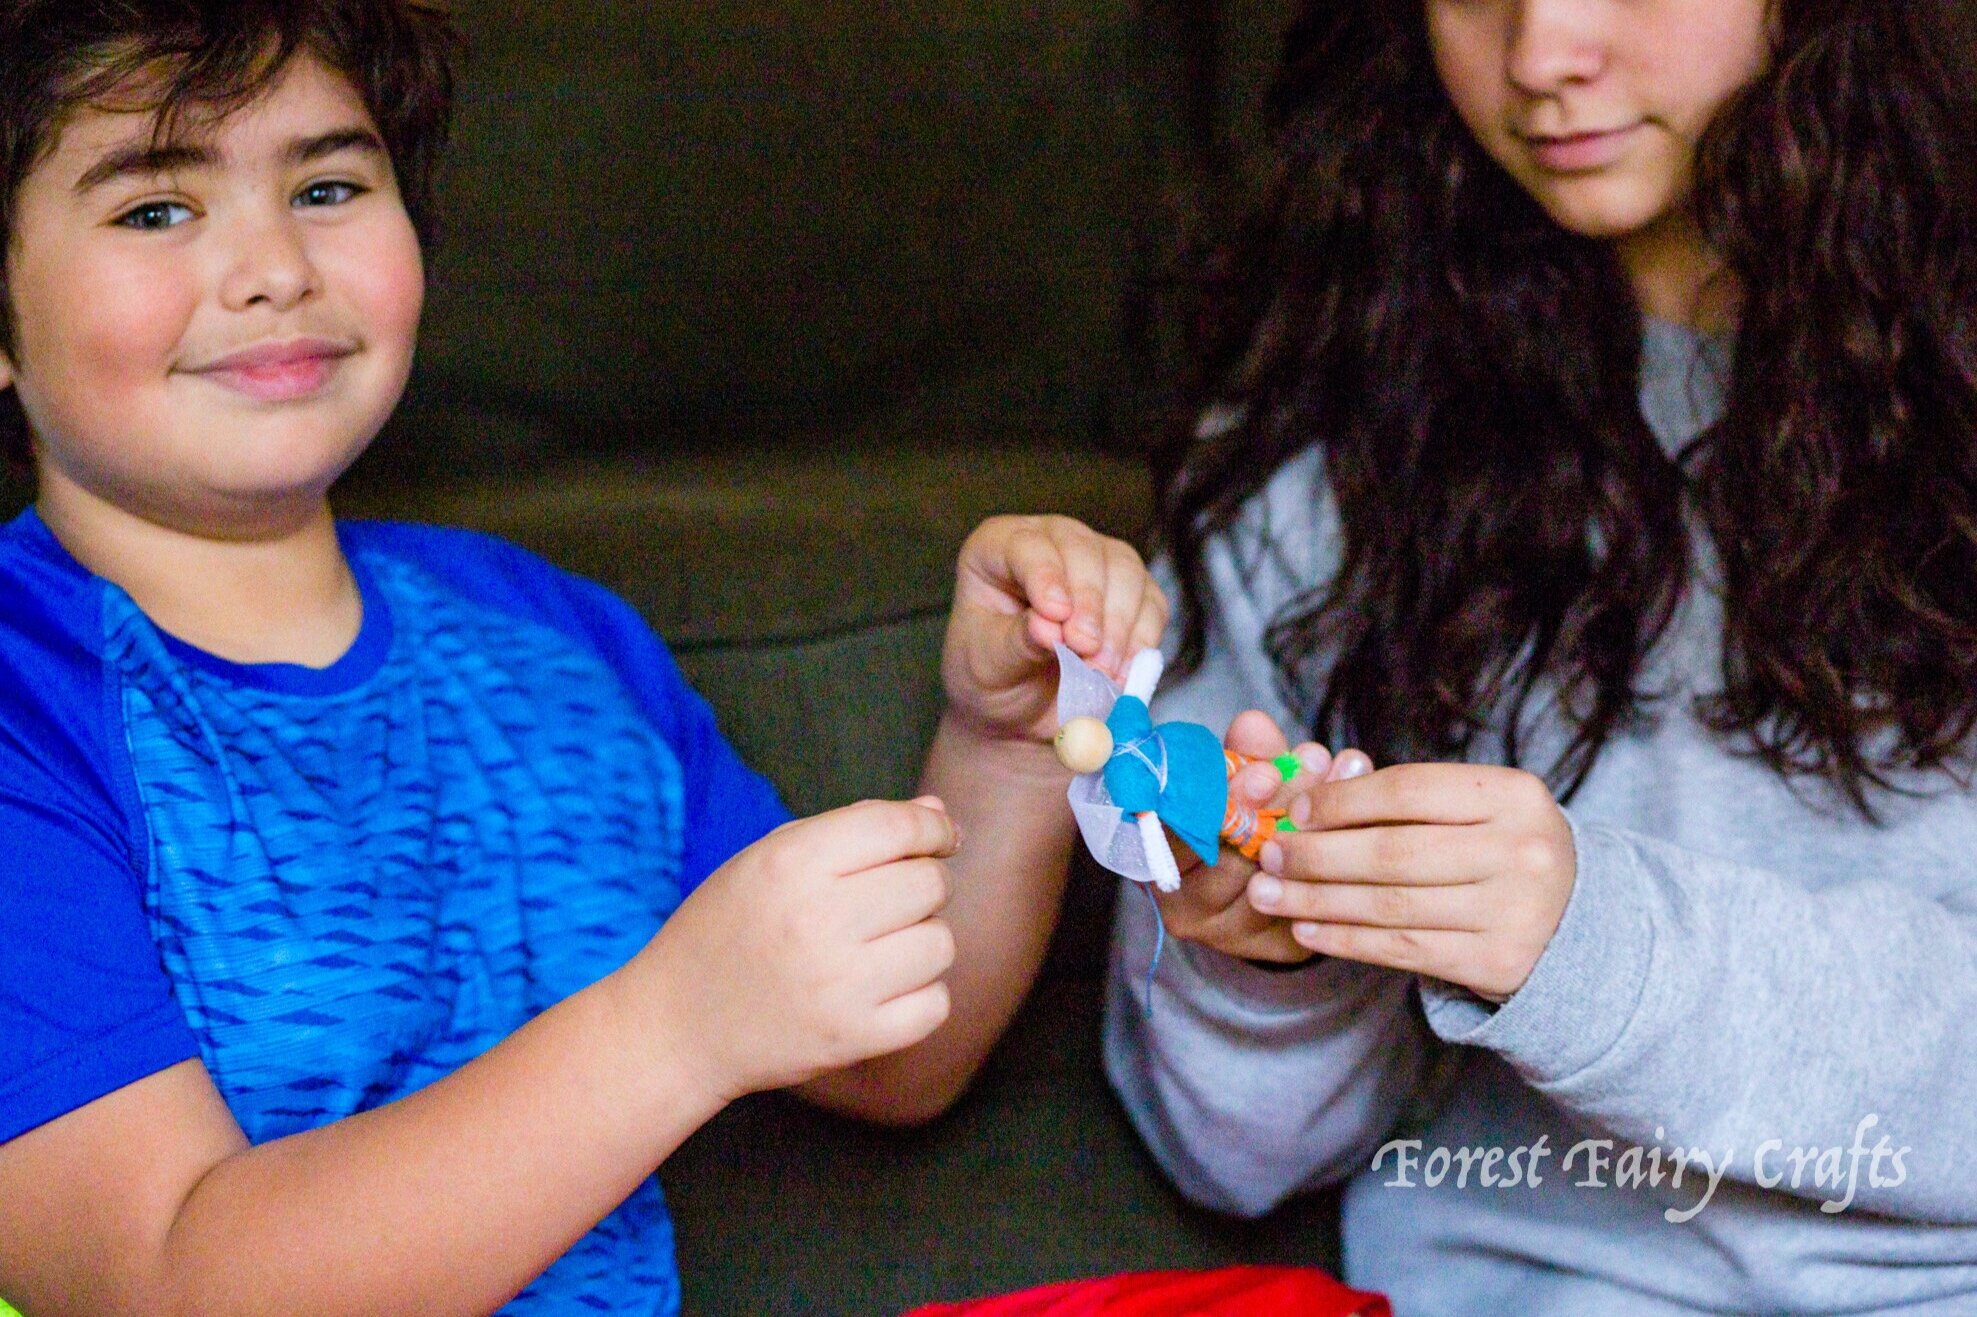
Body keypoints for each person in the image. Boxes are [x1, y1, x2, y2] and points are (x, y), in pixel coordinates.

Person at [0, 3, 1167, 1314]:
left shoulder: (555, 640)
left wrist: (1007, 742)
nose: (275, 263)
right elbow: (164, 1280)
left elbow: (893, 1054)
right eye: (155, 208)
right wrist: (668, 1027)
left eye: (328, 185)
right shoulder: (25, 700)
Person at [1104, 1, 1977, 1312]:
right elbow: (1232, 1160)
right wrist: (1263, 972)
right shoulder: (1314, 459)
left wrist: (1593, 947)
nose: (1538, 55)